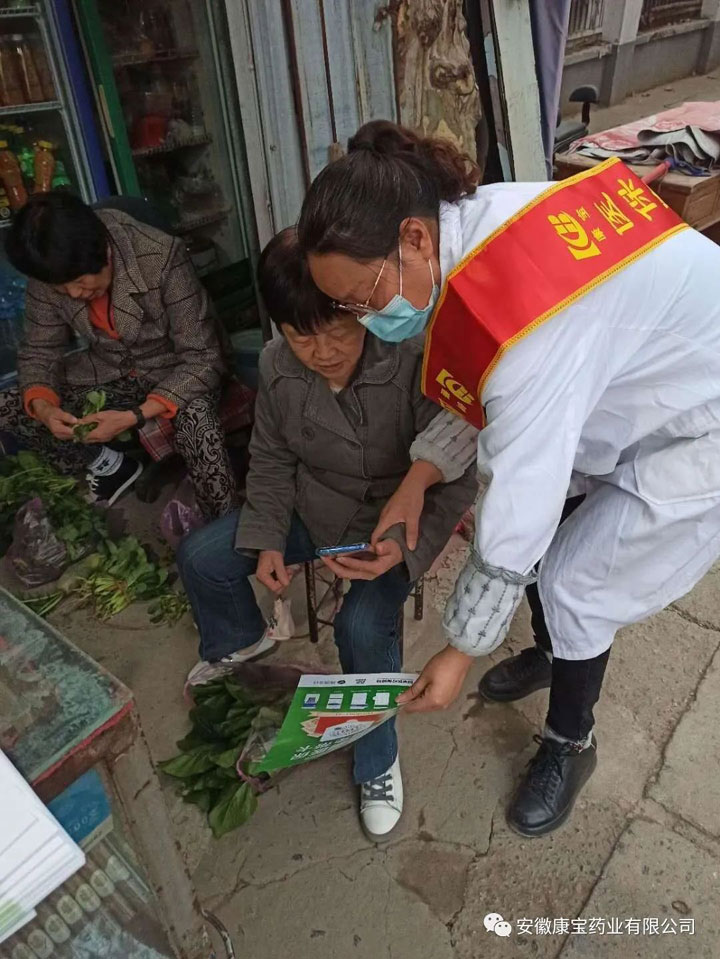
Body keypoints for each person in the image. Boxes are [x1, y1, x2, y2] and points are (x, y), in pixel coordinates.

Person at [296, 118, 720, 838]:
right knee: (554, 536)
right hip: (647, 374)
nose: (363, 320)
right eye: (348, 307)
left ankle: (571, 742)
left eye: (364, 297)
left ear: (414, 238)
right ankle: (555, 653)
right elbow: (488, 384)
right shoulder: (480, 225)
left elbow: (518, 489)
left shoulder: (520, 312)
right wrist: (418, 478)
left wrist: (460, 648)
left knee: (573, 579)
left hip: (700, 417)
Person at [176, 228, 477, 841]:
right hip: (314, 510)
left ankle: (378, 759)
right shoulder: (275, 365)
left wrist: (401, 548)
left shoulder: (414, 357)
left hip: (387, 525)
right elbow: (271, 457)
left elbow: (455, 475)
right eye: (300, 335)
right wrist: (267, 539)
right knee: (202, 557)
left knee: (361, 628)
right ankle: (242, 644)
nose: (322, 352)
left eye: (337, 330)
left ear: (361, 309)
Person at [0, 193, 237, 516]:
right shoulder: (50, 268)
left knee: (199, 424)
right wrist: (45, 409)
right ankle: (108, 466)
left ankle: (222, 526)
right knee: (12, 405)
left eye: (80, 282)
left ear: (105, 251)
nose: (73, 294)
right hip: (110, 366)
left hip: (175, 368)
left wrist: (133, 416)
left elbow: (203, 358)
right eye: (61, 289)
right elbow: (39, 351)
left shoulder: (159, 255)